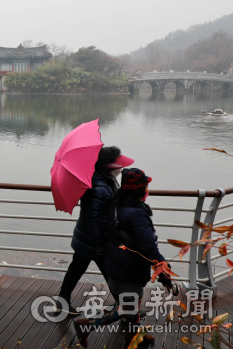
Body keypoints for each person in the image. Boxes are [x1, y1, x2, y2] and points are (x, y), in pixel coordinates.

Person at [73, 168, 172, 347]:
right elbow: (148, 246)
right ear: (140, 191)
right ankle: (86, 325)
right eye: (146, 186)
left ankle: (134, 336)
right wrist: (162, 266)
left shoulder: (116, 205)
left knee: (129, 301)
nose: (148, 190)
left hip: (114, 262)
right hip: (129, 268)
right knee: (129, 306)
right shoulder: (137, 214)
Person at [56, 146, 134, 313]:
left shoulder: (105, 180)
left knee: (77, 269)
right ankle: (126, 308)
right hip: (95, 239)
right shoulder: (99, 187)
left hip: (87, 237)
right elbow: (94, 219)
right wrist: (100, 244)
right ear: (109, 167)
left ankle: (62, 302)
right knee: (111, 272)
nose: (121, 168)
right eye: (118, 165)